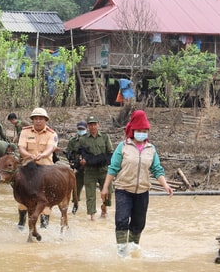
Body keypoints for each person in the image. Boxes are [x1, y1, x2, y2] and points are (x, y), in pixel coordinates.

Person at [100, 110, 173, 257]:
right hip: (123, 189)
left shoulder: (151, 149)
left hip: (142, 192)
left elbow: (157, 169)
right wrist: (105, 187)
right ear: (133, 130)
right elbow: (113, 168)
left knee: (139, 223)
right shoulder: (123, 147)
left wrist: (165, 185)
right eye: (139, 130)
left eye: (145, 131)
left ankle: (133, 249)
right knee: (121, 220)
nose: (142, 133)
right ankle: (121, 252)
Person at [17, 107, 58, 227]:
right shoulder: (25, 131)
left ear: (46, 120)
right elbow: (21, 148)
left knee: (46, 200)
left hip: (46, 171)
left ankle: (44, 225)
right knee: (23, 198)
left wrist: (43, 155)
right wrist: (29, 155)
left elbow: (51, 148)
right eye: (36, 119)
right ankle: (21, 222)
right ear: (32, 120)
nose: (38, 121)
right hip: (28, 171)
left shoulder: (52, 134)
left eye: (41, 119)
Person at [78, 115, 113, 221]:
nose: (93, 127)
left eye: (94, 124)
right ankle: (92, 216)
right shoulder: (83, 139)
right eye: (90, 125)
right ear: (87, 126)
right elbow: (80, 154)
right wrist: (81, 161)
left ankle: (104, 207)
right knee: (90, 194)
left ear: (98, 125)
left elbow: (110, 153)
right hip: (89, 171)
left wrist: (112, 171)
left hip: (104, 170)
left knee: (108, 192)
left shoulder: (105, 137)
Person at [65, 120, 88, 214]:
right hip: (77, 168)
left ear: (86, 129)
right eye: (79, 129)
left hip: (90, 168)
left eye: (82, 129)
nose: (81, 130)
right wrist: (72, 162)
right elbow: (68, 153)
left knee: (91, 192)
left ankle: (94, 210)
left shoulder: (90, 140)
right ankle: (75, 209)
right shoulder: (73, 141)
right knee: (76, 190)